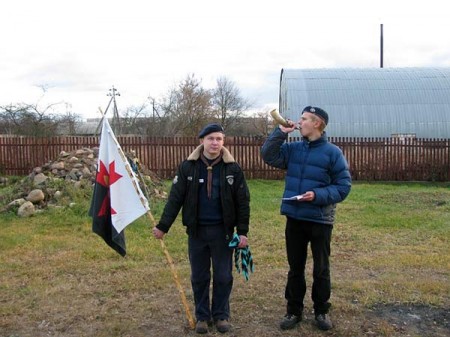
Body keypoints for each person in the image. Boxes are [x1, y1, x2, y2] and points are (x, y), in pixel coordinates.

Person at [152, 123, 250, 334]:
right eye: (210, 138)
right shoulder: (188, 167)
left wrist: (242, 231)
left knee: (223, 276)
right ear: (202, 141)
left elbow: (243, 202)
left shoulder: (232, 168)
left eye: (219, 139)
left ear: (223, 142)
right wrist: (163, 226)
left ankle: (221, 315)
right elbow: (175, 199)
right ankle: (203, 316)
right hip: (196, 233)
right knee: (199, 276)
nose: (215, 143)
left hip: (223, 233)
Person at [261, 106, 351, 331]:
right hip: (295, 217)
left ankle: (321, 311)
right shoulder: (293, 149)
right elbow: (268, 156)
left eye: (304, 119)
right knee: (295, 267)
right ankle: (293, 310)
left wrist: (317, 195)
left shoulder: (333, 153)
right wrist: (280, 132)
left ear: (317, 123)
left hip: (320, 219)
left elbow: (343, 186)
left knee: (321, 268)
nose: (299, 122)